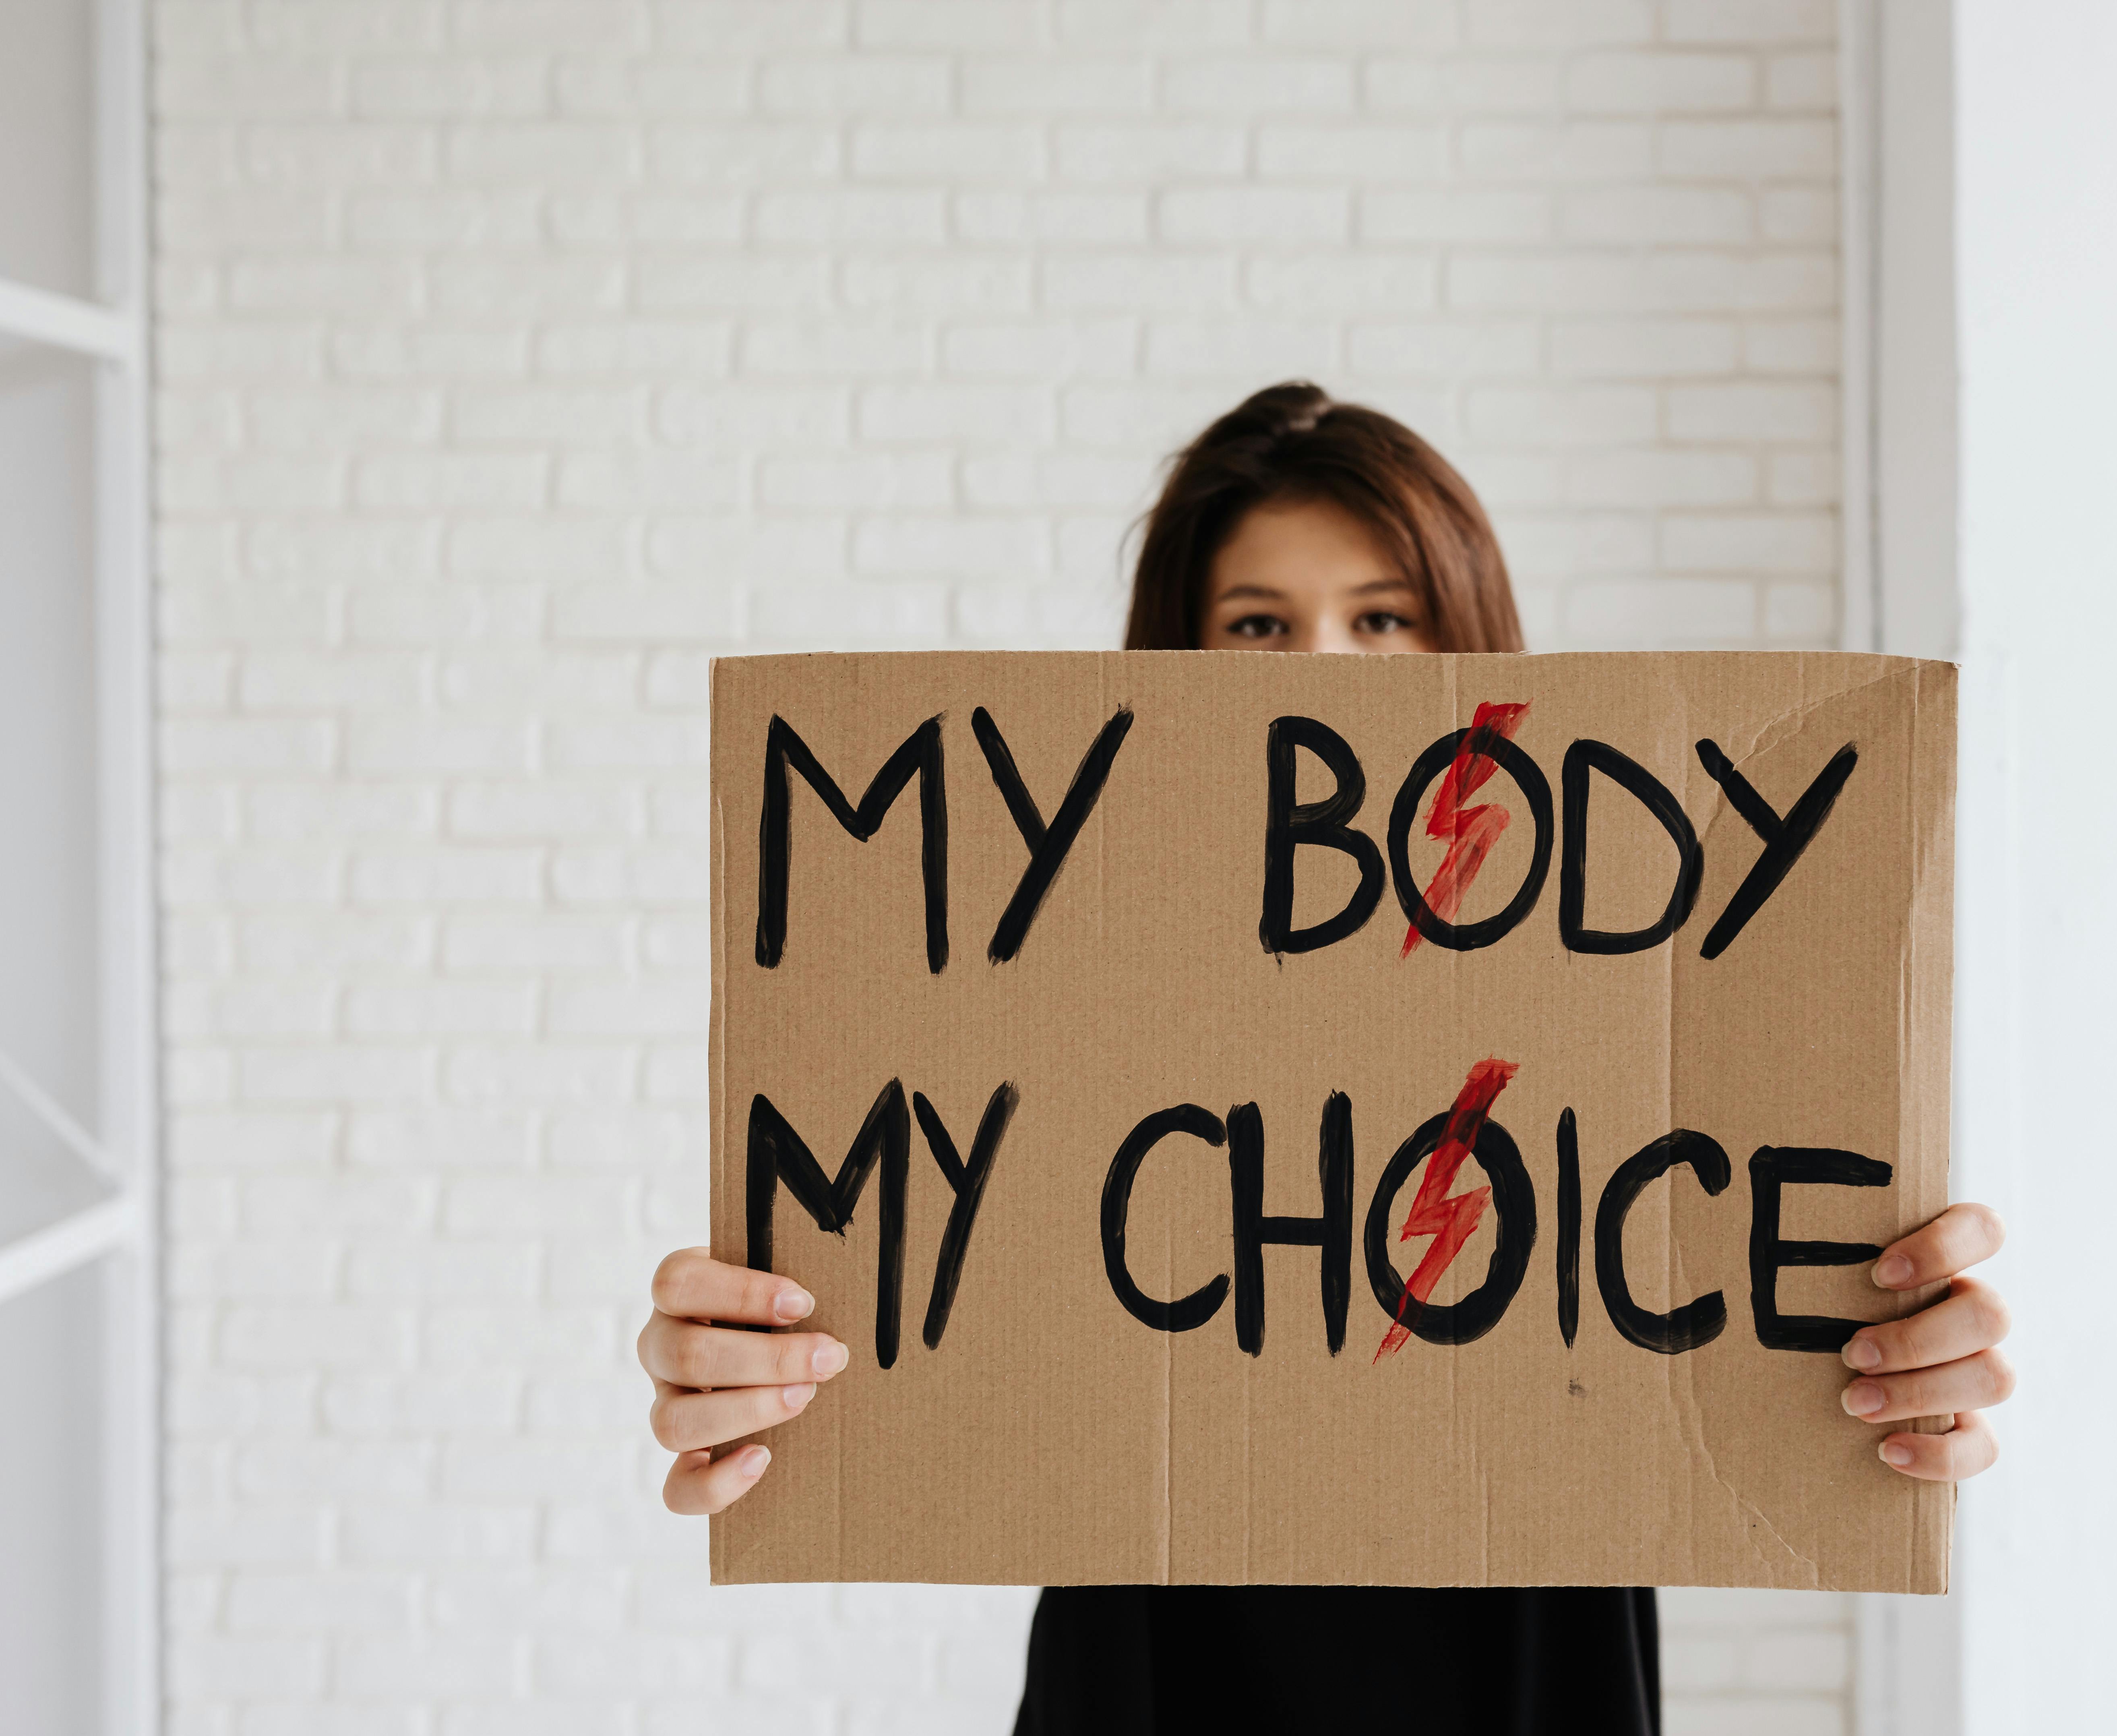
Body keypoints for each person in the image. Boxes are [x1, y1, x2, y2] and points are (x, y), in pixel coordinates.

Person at [638, 383, 2014, 1735]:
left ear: (1471, 646)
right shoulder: (1050, 1004)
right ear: (1168, 671)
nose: (1324, 678)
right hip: (1156, 1675)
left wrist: (1891, 1354)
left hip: (1526, 1668)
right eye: (1255, 627)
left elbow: (1746, 1260)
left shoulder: (1631, 981)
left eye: (1383, 620)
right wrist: (759, 1372)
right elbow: (932, 1258)